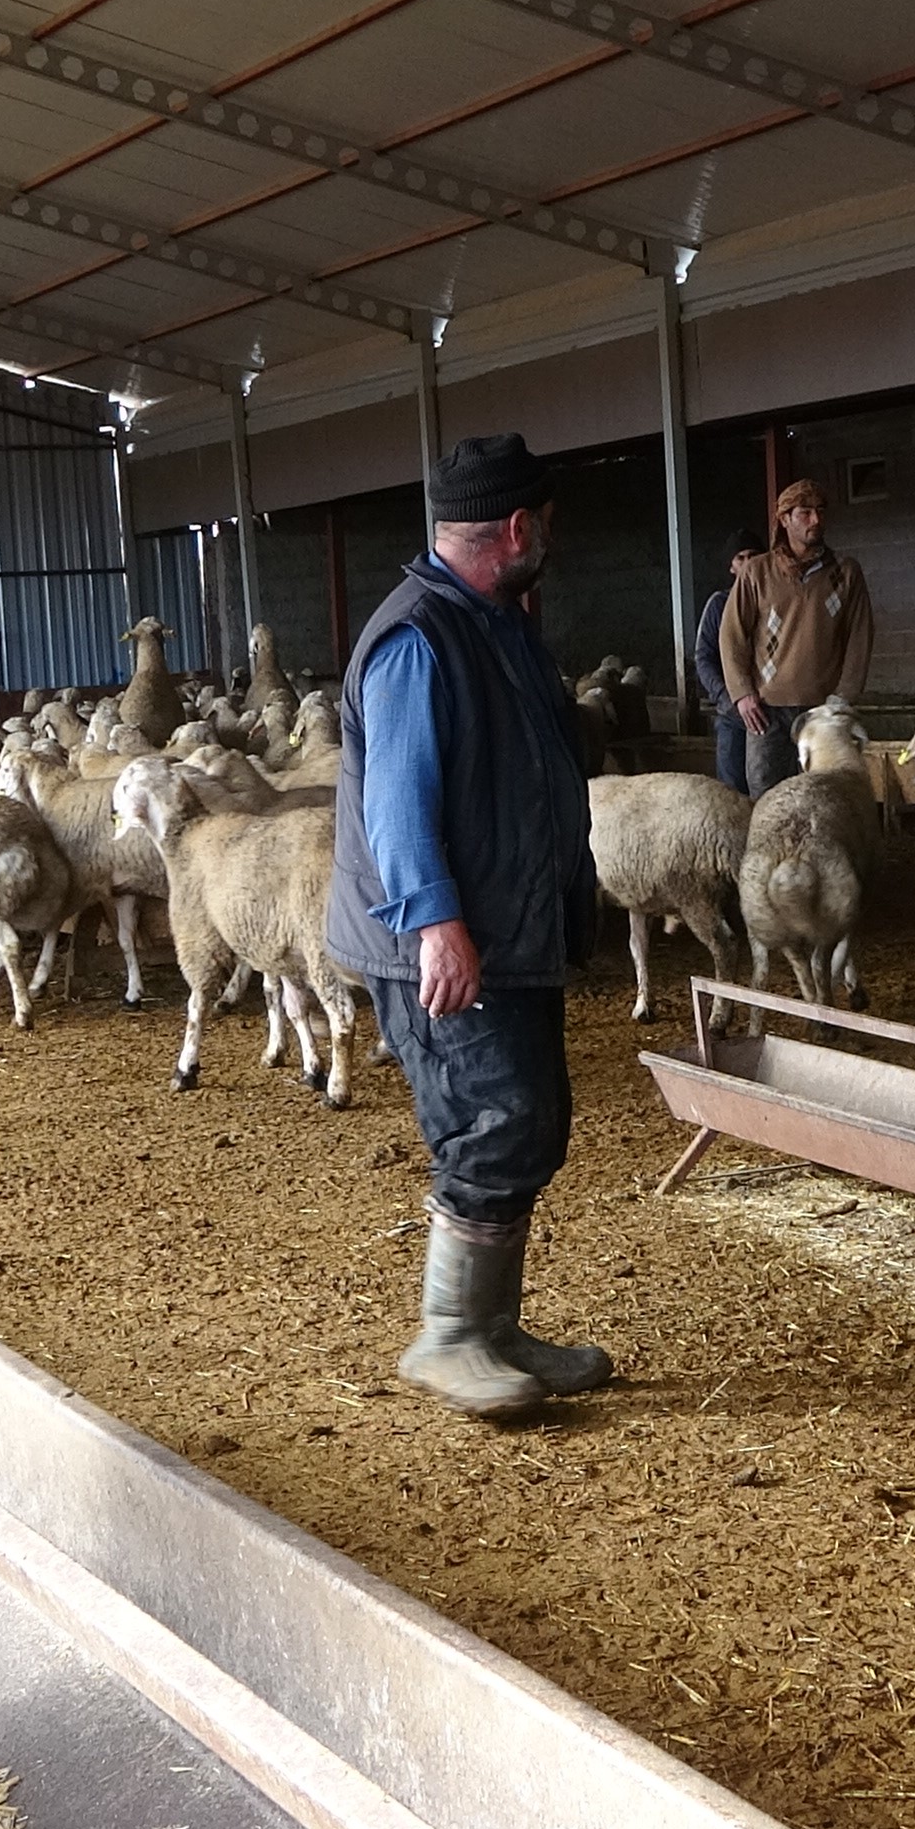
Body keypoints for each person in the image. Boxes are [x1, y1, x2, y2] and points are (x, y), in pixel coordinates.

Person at [325, 434, 614, 1416]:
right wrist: (435, 921)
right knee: (496, 1119)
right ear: (519, 527)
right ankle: (448, 1336)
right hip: (449, 942)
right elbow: (397, 802)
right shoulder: (421, 637)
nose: (555, 539)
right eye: (552, 522)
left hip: (507, 928)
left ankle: (493, 1327)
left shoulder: (493, 620)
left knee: (534, 1117)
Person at [718, 476, 875, 794]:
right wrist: (743, 695)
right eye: (804, 512)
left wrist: (842, 698)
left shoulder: (845, 573)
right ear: (785, 519)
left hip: (824, 709)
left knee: (827, 795)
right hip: (767, 710)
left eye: (820, 511)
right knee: (766, 794)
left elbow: (860, 636)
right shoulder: (756, 573)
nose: (815, 520)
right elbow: (731, 633)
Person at [688, 524, 765, 793]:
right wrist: (727, 696)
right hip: (733, 714)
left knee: (769, 791)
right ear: (731, 567)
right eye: (740, 558)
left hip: (770, 711)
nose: (747, 563)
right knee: (732, 793)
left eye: (753, 555)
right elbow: (704, 656)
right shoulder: (719, 605)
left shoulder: (774, 602)